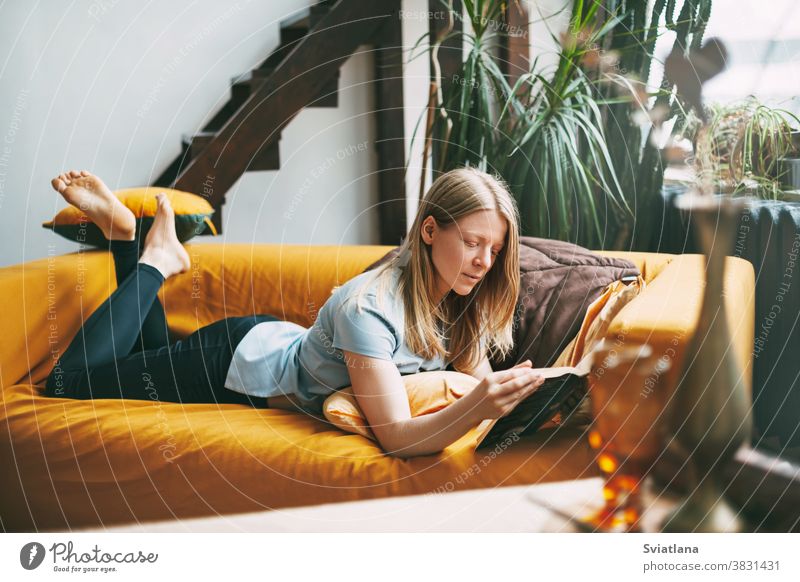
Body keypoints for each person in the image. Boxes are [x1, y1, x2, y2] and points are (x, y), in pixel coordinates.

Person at [44, 168, 545, 457]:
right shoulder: (368, 309)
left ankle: (123, 238)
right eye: (474, 242)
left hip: (271, 341)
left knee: (152, 354)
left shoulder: (461, 297)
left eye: (495, 249)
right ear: (431, 231)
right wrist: (479, 406)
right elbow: (395, 436)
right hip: (229, 366)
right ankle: (154, 261)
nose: (484, 261)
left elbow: (474, 380)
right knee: (66, 383)